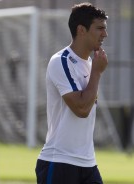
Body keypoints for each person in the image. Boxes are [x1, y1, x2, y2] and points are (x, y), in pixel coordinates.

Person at [35, 2, 108, 184]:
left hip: (88, 163)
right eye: (99, 28)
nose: (104, 34)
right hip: (59, 162)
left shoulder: (92, 64)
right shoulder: (61, 61)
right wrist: (97, 73)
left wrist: (95, 71)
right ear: (81, 30)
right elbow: (81, 109)